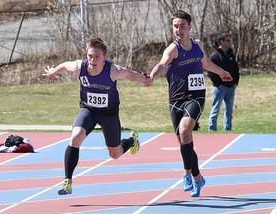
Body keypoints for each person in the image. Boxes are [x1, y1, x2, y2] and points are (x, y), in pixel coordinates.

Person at [43, 37, 152, 195]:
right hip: (89, 111)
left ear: (104, 58)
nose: (92, 60)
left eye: (96, 57)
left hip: (109, 114)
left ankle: (132, 141)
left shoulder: (113, 70)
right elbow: (66, 65)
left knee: (114, 154)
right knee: (75, 137)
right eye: (90, 56)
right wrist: (54, 71)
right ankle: (68, 181)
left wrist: (144, 80)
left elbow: (129, 74)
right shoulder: (79, 67)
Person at [149, 10, 232, 197]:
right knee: (184, 142)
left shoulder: (197, 45)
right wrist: (152, 76)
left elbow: (205, 62)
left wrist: (221, 72)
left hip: (196, 96)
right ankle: (198, 177)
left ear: (189, 27)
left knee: (186, 130)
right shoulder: (172, 49)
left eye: (182, 26)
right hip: (176, 100)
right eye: (175, 26)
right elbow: (162, 65)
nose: (179, 30)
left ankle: (186, 174)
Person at [208, 33, 240, 131]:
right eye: (227, 40)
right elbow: (210, 72)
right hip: (220, 88)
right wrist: (218, 84)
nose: (230, 42)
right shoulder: (215, 56)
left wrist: (235, 82)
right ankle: (212, 128)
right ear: (221, 41)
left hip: (231, 87)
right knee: (215, 109)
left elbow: (235, 69)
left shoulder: (231, 54)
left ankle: (228, 128)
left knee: (229, 111)